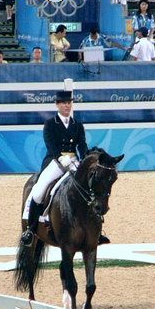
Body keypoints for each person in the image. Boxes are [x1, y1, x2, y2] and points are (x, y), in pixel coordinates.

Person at [20, 90, 110, 247]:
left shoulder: (77, 125)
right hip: (55, 162)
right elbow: (51, 145)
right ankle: (30, 229)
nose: (66, 105)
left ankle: (96, 230)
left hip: (74, 161)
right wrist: (61, 158)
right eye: (63, 103)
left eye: (69, 103)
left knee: (90, 187)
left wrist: (84, 160)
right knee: (38, 191)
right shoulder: (50, 124)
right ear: (57, 105)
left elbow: (82, 146)